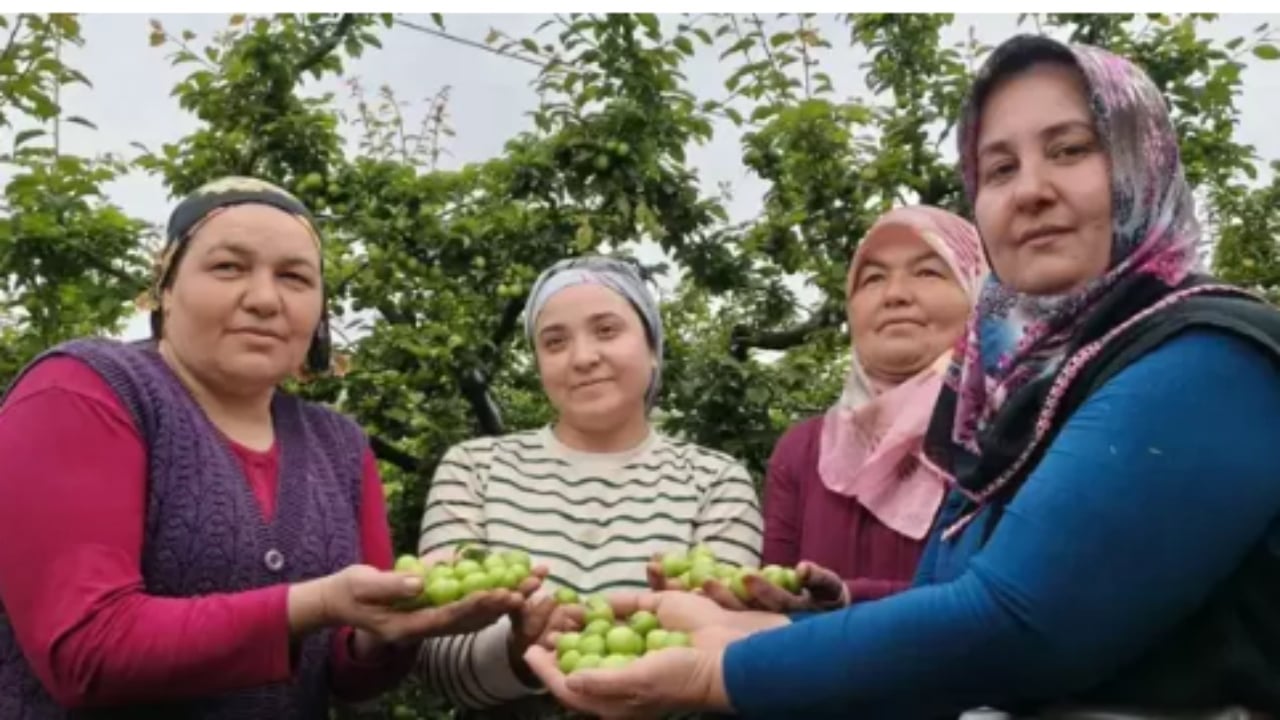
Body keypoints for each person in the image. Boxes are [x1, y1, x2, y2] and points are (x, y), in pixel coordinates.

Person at [524, 34, 1280, 719]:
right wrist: (776, 622)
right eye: (999, 167)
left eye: (1073, 150)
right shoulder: (1014, 397)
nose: (1030, 190)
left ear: (1144, 161)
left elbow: (1015, 624)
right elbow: (943, 600)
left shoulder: (1209, 355)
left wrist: (722, 668)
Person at [0, 177, 534, 718]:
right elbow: (85, 652)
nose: (263, 299)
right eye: (228, 267)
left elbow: (346, 674)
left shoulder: (340, 445)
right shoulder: (83, 392)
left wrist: (393, 629)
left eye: (295, 277)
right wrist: (316, 603)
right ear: (166, 285)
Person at [416, 255, 763, 718]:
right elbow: (437, 659)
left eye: (607, 330)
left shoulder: (716, 481)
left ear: (653, 347)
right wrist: (518, 649)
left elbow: (726, 654)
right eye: (554, 341)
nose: (583, 358)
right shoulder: (474, 468)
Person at [712, 205, 985, 613]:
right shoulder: (804, 450)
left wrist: (847, 598)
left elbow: (1005, 602)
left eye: (928, 271)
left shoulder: (1008, 434)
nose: (895, 294)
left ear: (978, 291)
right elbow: (775, 594)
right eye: (873, 278)